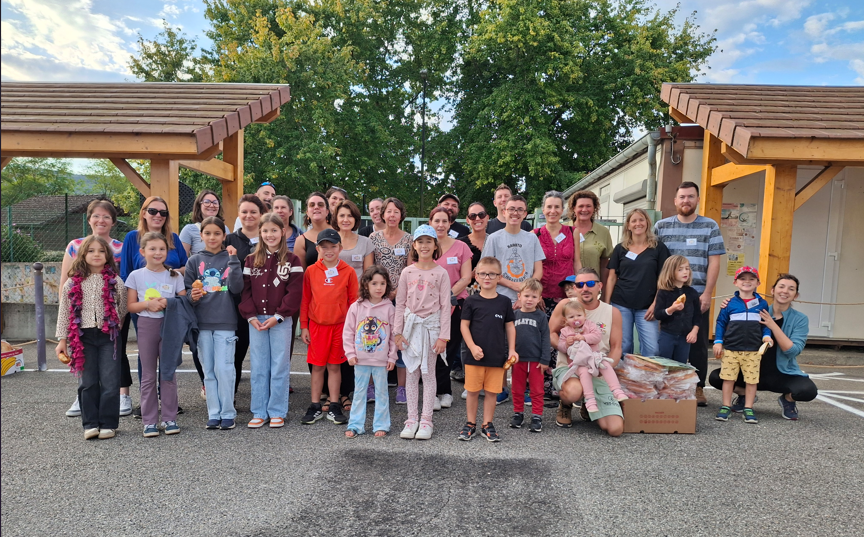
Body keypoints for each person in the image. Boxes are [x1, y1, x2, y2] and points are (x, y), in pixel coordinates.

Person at [654, 181, 726, 406]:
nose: (686, 201)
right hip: (668, 295)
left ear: (697, 200)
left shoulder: (710, 226)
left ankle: (697, 387)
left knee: (696, 342)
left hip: (696, 296)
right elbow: (656, 262)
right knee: (666, 343)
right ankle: (666, 386)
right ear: (675, 201)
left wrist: (707, 293)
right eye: (682, 197)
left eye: (691, 197)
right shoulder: (661, 227)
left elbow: (714, 261)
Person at [709, 274, 816, 421]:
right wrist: (730, 304)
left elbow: (793, 351)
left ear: (795, 295)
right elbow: (729, 326)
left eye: (791, 289)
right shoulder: (757, 308)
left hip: (780, 373)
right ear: (772, 290)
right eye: (781, 287)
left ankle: (787, 400)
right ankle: (745, 396)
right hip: (751, 366)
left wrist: (772, 325)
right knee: (717, 377)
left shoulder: (800, 319)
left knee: (808, 391)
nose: (785, 291)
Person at [120, 196, 188, 419]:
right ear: (144, 213)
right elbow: (126, 272)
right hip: (144, 310)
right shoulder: (132, 238)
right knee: (146, 359)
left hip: (169, 309)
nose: (158, 215)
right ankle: (147, 406)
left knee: (167, 358)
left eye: (163, 212)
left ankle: (168, 406)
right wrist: (142, 304)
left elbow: (185, 268)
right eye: (153, 211)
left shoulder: (174, 238)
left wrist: (173, 277)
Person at [59, 200, 127, 419]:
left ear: (113, 221)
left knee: (111, 369)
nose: (101, 220)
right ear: (89, 219)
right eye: (97, 216)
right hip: (83, 325)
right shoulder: (74, 246)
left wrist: (118, 321)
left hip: (110, 323)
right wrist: (63, 336)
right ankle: (87, 410)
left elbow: (123, 300)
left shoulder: (120, 248)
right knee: (86, 372)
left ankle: (118, 402)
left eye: (107, 216)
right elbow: (65, 287)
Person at [239, 214, 304, 429]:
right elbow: (245, 292)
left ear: (282, 232)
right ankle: (259, 410)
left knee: (279, 365)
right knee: (258, 366)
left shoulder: (292, 260)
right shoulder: (250, 260)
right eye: (265, 231)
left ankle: (277, 410)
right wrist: (250, 316)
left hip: (280, 320)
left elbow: (294, 293)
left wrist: (279, 316)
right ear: (260, 233)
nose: (270, 235)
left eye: (274, 230)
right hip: (256, 320)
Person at [481, 194, 545, 404]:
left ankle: (524, 387)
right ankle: (501, 387)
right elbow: (488, 269)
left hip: (526, 300)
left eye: (520, 209)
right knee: (500, 343)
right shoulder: (494, 238)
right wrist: (515, 287)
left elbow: (538, 269)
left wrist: (525, 293)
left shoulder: (531, 238)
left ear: (525, 213)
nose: (515, 213)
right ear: (504, 211)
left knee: (525, 343)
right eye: (511, 209)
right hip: (502, 298)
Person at [549, 268, 624, 437]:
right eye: (579, 284)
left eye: (590, 284)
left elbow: (616, 347)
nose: (585, 288)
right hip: (571, 368)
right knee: (574, 390)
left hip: (597, 368)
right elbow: (551, 333)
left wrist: (604, 369)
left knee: (615, 429)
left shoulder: (613, 313)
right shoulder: (565, 306)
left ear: (600, 286)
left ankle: (588, 404)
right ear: (574, 288)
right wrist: (564, 347)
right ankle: (566, 404)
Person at [392, 225, 451, 440]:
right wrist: (397, 332)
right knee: (410, 373)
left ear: (435, 245)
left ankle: (426, 420)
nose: (424, 245)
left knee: (428, 374)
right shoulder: (407, 272)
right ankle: (411, 418)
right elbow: (400, 304)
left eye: (429, 241)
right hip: (410, 328)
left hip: (431, 328)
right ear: (414, 245)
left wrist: (443, 335)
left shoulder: (441, 272)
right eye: (420, 241)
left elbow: (445, 305)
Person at [185, 217, 243, 431]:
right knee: (209, 370)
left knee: (225, 368)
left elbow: (237, 288)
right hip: (201, 324)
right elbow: (186, 294)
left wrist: (234, 261)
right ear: (201, 235)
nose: (212, 237)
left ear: (224, 236)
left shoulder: (230, 258)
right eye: (207, 233)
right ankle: (214, 413)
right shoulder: (194, 261)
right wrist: (193, 296)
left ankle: (228, 413)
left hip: (226, 322)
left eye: (216, 233)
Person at [299, 229, 359, 426]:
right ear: (317, 249)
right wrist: (304, 326)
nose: (329, 250)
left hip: (340, 327)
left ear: (340, 248)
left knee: (334, 366)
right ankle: (315, 405)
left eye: (333, 246)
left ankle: (334, 404)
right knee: (318, 367)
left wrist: (350, 329)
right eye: (324, 247)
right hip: (317, 326)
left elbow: (353, 302)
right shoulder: (311, 271)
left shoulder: (348, 272)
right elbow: (306, 300)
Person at [459, 256, 517, 442]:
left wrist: (512, 350)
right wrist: (472, 346)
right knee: (473, 390)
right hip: (474, 356)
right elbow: (464, 326)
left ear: (499, 277)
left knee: (492, 392)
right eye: (483, 273)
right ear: (476, 276)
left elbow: (509, 327)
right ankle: (470, 423)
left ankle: (487, 424)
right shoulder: (471, 301)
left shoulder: (504, 302)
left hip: (497, 356)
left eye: (492, 274)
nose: (487, 277)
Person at [534, 191, 581, 398]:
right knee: (542, 340)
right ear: (543, 210)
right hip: (542, 297)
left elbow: (576, 262)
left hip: (566, 298)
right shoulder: (535, 234)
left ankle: (558, 384)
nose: (552, 211)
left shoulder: (572, 232)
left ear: (563, 210)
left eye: (556, 207)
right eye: (549, 207)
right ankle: (538, 385)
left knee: (564, 340)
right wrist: (534, 296)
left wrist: (579, 292)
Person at [605, 208, 669, 357]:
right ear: (628, 225)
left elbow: (663, 279)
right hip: (621, 303)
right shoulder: (620, 249)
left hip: (647, 306)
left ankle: (646, 379)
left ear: (647, 222)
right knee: (623, 345)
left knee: (652, 348)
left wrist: (656, 304)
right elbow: (611, 277)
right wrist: (607, 304)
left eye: (641, 219)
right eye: (633, 220)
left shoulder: (659, 248)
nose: (638, 223)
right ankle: (625, 379)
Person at [713, 266, 773, 424]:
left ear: (758, 283)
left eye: (751, 279)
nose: (747, 282)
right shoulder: (729, 304)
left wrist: (767, 336)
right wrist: (718, 341)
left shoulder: (762, 303)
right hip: (731, 349)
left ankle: (748, 408)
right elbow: (721, 322)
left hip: (753, 350)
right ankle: (725, 406)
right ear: (735, 282)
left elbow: (765, 324)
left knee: (752, 380)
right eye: (742, 279)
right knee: (728, 379)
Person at [343, 266, 398, 438]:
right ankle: (355, 425)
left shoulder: (389, 308)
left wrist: (392, 356)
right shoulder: (356, 307)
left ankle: (381, 424)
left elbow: (394, 335)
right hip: (360, 359)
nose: (379, 287)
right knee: (359, 393)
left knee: (382, 393)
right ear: (366, 285)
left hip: (381, 360)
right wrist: (350, 353)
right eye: (374, 283)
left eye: (382, 283)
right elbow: (348, 332)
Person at [429, 207, 472, 410]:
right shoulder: (424, 246)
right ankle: (432, 392)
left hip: (455, 304)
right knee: (432, 349)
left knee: (449, 348)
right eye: (436, 220)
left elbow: (467, 276)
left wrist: (447, 295)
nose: (440, 224)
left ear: (450, 223)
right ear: (430, 223)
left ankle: (445, 391)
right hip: (428, 306)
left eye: (444, 221)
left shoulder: (461, 247)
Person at [370, 197, 413, 402]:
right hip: (377, 297)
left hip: (401, 298)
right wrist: (379, 291)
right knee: (376, 340)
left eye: (396, 211)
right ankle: (373, 386)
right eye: (389, 211)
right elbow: (370, 270)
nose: (392, 215)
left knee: (400, 340)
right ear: (383, 214)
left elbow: (411, 269)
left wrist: (396, 292)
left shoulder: (408, 239)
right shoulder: (374, 238)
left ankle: (402, 388)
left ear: (401, 215)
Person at [225, 194, 267, 394]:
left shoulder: (270, 238)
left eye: (253, 212)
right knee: (235, 354)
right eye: (244, 212)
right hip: (236, 306)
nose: (248, 216)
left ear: (261, 214)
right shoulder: (229, 240)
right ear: (238, 214)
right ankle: (229, 398)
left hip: (265, 305)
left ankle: (265, 398)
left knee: (263, 355)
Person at [556, 300, 628, 412]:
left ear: (585, 316)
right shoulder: (565, 331)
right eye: (571, 317)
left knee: (605, 365)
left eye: (579, 315)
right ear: (565, 320)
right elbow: (560, 347)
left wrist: (585, 337)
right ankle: (589, 400)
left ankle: (616, 390)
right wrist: (566, 344)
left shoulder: (590, 325)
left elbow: (597, 337)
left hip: (594, 358)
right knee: (584, 373)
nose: (576, 319)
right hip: (579, 362)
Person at [453, 201, 491, 381]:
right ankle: (469, 377)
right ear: (467, 220)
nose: (477, 219)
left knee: (488, 332)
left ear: (487, 217)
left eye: (481, 215)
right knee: (466, 333)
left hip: (491, 292)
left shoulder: (495, 240)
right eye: (473, 216)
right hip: (468, 292)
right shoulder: (461, 243)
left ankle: (487, 375)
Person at [510, 279, 549, 433]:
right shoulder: (514, 315)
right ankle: (518, 413)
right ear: (519, 296)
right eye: (526, 296)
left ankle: (537, 415)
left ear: (539, 299)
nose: (529, 300)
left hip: (536, 361)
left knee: (537, 390)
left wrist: (545, 359)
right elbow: (509, 336)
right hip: (518, 359)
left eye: (534, 297)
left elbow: (546, 339)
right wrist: (508, 354)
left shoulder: (541, 317)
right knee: (517, 388)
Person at [653, 256, 702, 364]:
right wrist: (671, 309)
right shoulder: (664, 292)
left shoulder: (692, 292)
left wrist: (694, 331)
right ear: (670, 272)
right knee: (664, 365)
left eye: (687, 268)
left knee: (680, 366)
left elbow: (697, 316)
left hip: (685, 337)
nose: (685, 272)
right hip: (667, 335)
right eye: (680, 269)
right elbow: (657, 314)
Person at [568, 190, 613, 287]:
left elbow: (605, 266)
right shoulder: (563, 230)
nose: (584, 209)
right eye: (580, 206)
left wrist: (604, 292)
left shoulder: (603, 232)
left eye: (588, 206)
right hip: (566, 288)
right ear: (573, 208)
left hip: (591, 287)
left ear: (594, 209)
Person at [334, 200, 375, 281]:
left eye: (350, 216)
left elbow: (368, 275)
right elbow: (321, 269)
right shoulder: (328, 241)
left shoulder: (366, 243)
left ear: (355, 219)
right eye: (342, 216)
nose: (346, 220)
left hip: (357, 291)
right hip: (332, 291)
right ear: (336, 218)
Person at [180, 190, 226, 256]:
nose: (211, 205)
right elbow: (182, 261)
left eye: (215, 203)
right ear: (199, 205)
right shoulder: (189, 230)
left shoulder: (225, 228)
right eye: (207, 202)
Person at [293, 192, 331, 269]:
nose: (316, 207)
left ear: (327, 212)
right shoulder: (301, 241)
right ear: (307, 213)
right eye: (312, 205)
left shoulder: (340, 233)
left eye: (320, 205)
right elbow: (301, 273)